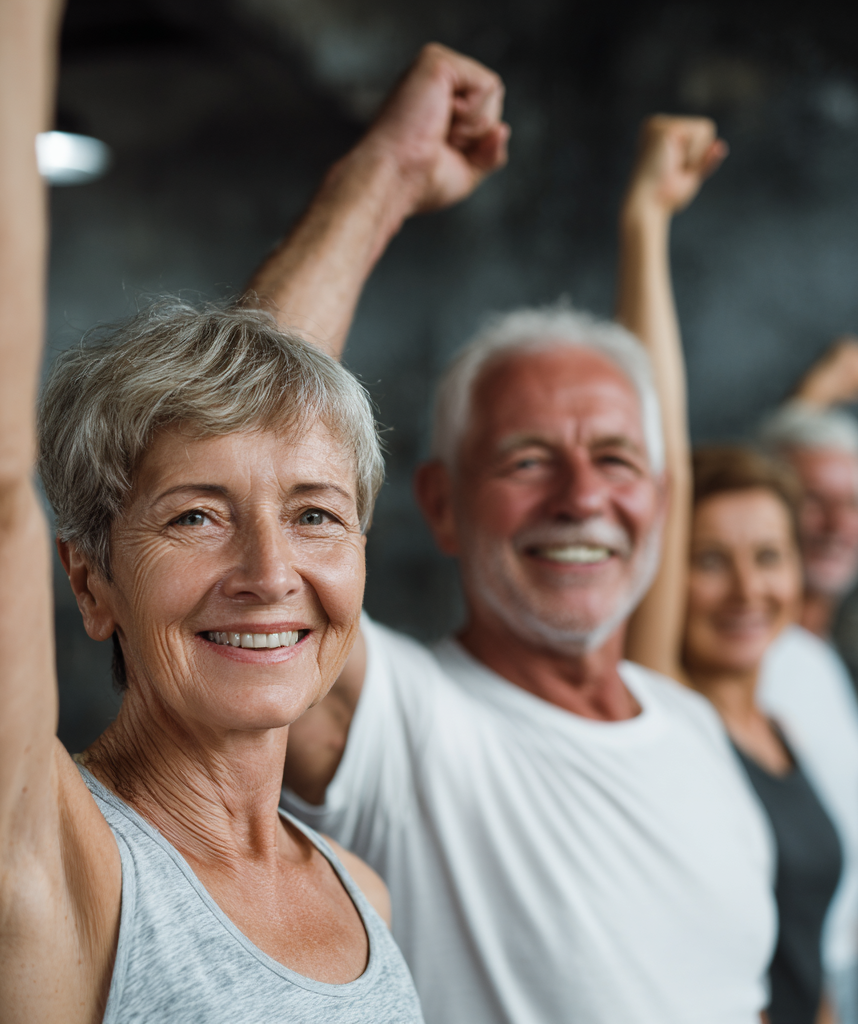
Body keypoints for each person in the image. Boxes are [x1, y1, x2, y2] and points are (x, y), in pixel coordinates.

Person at [0, 2, 425, 1022]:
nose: (270, 571)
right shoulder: (48, 868)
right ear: (89, 578)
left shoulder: (363, 892)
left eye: (316, 516)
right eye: (193, 520)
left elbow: (257, 437)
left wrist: (382, 182)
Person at [248, 48, 777, 1024]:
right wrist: (384, 180)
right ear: (442, 504)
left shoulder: (690, 727)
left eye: (616, 459)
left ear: (658, 500)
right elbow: (235, 455)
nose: (582, 496)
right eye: (528, 459)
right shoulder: (404, 728)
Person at [619, 118, 858, 1024]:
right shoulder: (667, 714)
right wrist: (646, 221)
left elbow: (808, 953)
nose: (748, 588)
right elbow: (661, 456)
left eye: (769, 559)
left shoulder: (784, 723)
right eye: (710, 562)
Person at [756, 345, 858, 1024]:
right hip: (795, 978)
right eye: (816, 504)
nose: (841, 524)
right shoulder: (747, 653)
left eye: (856, 503)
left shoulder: (815, 656)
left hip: (841, 960)